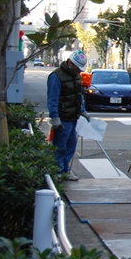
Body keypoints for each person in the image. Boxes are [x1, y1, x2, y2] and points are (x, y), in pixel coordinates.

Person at [47, 50, 90, 181]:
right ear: (71, 63)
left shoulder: (76, 75)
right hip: (63, 117)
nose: (79, 71)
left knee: (70, 146)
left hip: (73, 117)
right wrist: (55, 117)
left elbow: (79, 95)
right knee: (60, 146)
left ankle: (65, 170)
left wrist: (82, 110)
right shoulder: (56, 76)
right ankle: (58, 170)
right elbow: (52, 99)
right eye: (77, 67)